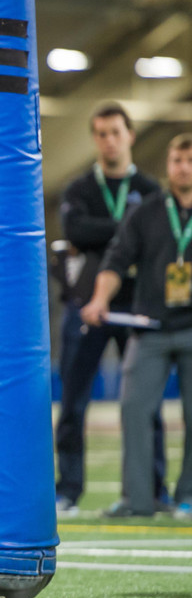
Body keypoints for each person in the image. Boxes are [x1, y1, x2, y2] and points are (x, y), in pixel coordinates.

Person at [55, 101, 168, 516]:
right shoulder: (80, 188)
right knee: (72, 402)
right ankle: (67, 489)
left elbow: (159, 243)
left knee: (145, 403)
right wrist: (131, 230)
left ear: (130, 135)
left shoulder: (154, 190)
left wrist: (107, 235)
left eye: (115, 132)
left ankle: (155, 489)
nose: (108, 141)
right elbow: (74, 231)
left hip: (138, 307)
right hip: (86, 308)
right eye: (101, 133)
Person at [82, 133, 192, 520]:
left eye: (190, 161)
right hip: (150, 328)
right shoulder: (145, 212)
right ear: (169, 165)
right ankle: (138, 501)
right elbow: (115, 261)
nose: (184, 168)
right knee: (133, 410)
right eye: (178, 160)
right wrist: (99, 299)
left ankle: (188, 498)